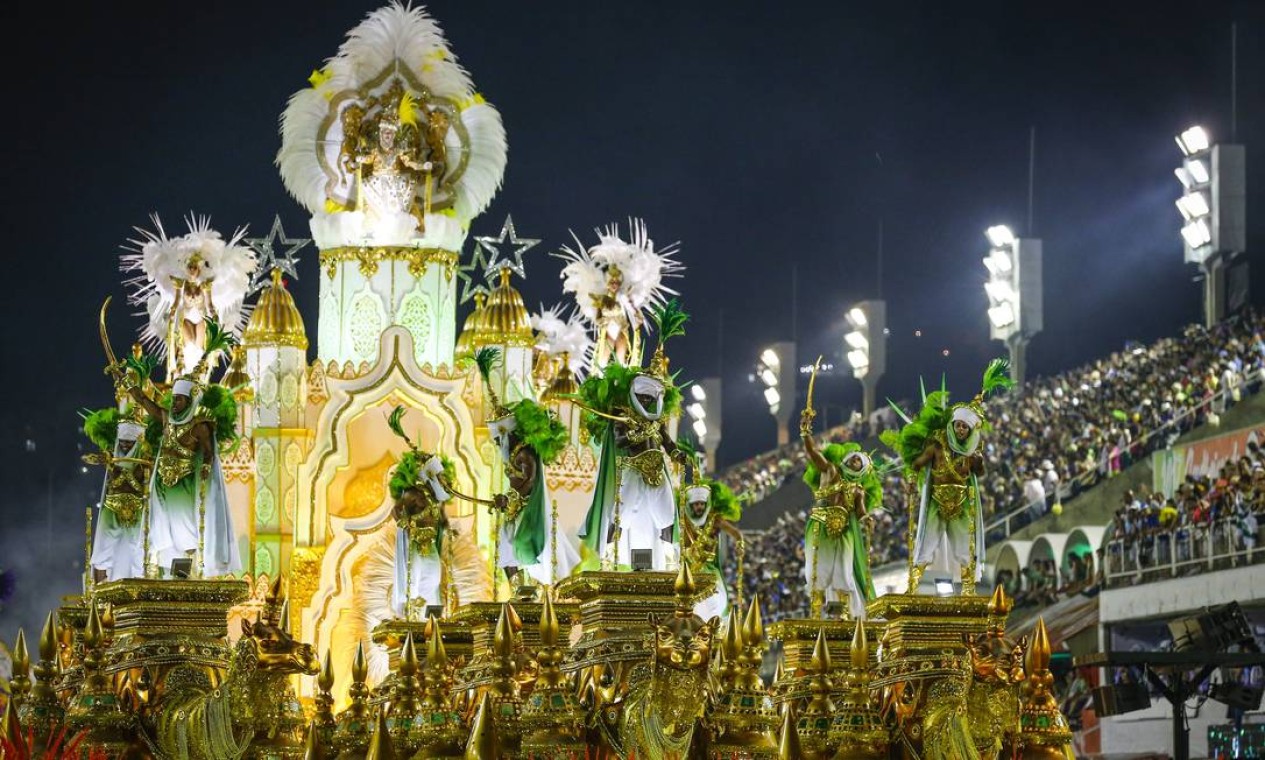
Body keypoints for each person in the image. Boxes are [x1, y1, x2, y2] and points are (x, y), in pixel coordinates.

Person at [884, 360, 1012, 595]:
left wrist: (979, 461)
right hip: (936, 501)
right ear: (953, 425)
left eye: (966, 427)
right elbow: (917, 463)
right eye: (959, 425)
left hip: (961, 503)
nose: (962, 430)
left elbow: (979, 474)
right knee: (926, 544)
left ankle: (967, 589)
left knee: (964, 547)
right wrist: (912, 479)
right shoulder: (937, 444)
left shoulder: (971, 451)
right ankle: (913, 586)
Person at [578, 302, 689, 571]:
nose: (647, 402)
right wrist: (635, 434)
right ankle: (607, 555)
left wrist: (676, 453)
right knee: (620, 516)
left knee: (666, 511)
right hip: (631, 469)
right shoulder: (623, 414)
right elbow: (619, 440)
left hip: (655, 468)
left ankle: (670, 554)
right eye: (644, 398)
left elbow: (665, 439)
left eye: (651, 399)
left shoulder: (655, 416)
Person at [127, 372, 240, 578]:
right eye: (174, 399)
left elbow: (208, 452)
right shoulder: (167, 421)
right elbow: (145, 402)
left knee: (185, 531)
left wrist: (206, 467)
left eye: (179, 399)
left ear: (190, 401)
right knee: (160, 529)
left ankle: (186, 576)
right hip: (162, 486)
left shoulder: (199, 426)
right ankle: (163, 575)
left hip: (184, 486)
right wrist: (131, 387)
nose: (174, 404)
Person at [484, 395, 581, 588]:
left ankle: (546, 587)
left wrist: (508, 499)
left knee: (525, 546)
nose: (497, 443)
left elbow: (529, 482)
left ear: (507, 433)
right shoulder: (512, 454)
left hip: (527, 508)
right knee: (505, 545)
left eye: (498, 439)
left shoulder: (524, 454)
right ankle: (519, 590)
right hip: (515, 508)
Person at [83, 416, 152, 582]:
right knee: (102, 551)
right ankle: (98, 594)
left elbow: (137, 486)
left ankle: (138, 592)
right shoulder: (111, 456)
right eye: (122, 441)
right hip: (112, 508)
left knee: (139, 552)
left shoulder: (145, 461)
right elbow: (113, 481)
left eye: (129, 442)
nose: (125, 446)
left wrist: (116, 468)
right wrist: (107, 462)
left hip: (136, 511)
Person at [679, 481, 744, 620]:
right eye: (696, 504)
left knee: (719, 594)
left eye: (702, 504)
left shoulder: (715, 520)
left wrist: (740, 545)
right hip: (689, 568)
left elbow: (736, 533)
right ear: (691, 505)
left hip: (709, 568)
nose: (700, 507)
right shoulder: (684, 521)